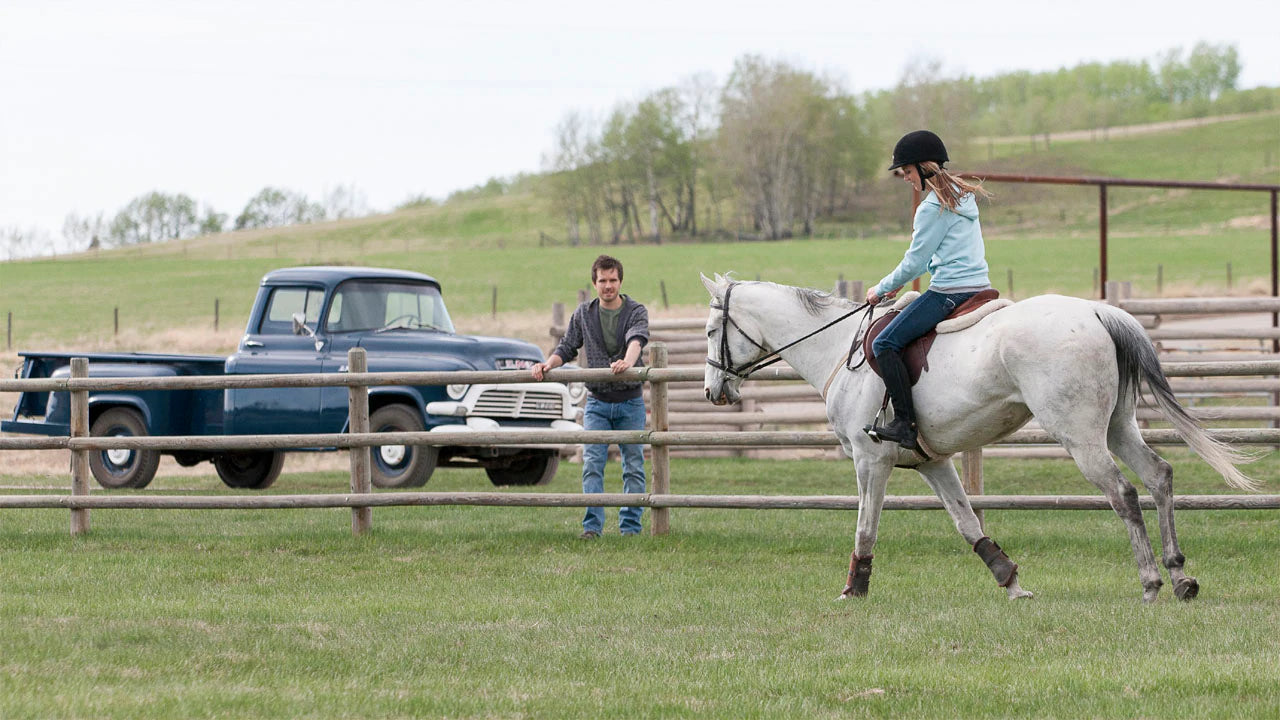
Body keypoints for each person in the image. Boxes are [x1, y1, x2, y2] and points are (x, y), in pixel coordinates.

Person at [864, 130, 992, 454]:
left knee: (884, 343)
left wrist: (881, 290)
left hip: (949, 291)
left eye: (907, 172)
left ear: (923, 167)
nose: (906, 179)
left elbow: (914, 263)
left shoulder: (932, 207)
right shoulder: (964, 197)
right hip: (980, 286)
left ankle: (904, 424)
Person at [532, 254, 650, 539]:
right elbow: (568, 346)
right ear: (594, 283)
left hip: (629, 401)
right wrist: (548, 364)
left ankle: (630, 527)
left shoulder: (636, 310)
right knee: (592, 464)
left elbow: (637, 339)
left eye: (613, 280)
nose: (608, 286)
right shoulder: (584, 313)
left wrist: (628, 362)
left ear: (620, 281)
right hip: (596, 402)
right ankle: (592, 527)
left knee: (633, 465)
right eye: (602, 281)